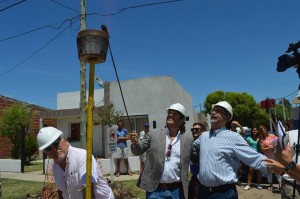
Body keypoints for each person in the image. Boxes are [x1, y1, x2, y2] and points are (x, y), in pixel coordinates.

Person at [192, 101, 275, 199]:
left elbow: (253, 157)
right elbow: (193, 146)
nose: (214, 112)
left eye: (218, 111)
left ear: (227, 117)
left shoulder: (233, 137)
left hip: (223, 194)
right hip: (202, 192)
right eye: (213, 110)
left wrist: (275, 166)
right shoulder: (203, 136)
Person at [129, 103, 194, 199]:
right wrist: (135, 142)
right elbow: (138, 151)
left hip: (177, 191)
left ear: (182, 120)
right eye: (169, 113)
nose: (170, 115)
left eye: (175, 114)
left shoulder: (188, 139)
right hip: (155, 191)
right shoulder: (154, 133)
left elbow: (197, 158)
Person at [37, 126, 114, 199]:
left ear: (64, 140)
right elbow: (61, 191)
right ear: (45, 152)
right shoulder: (55, 167)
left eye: (56, 143)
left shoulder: (82, 156)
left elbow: (88, 191)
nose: (54, 149)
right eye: (48, 148)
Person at [263, 129, 300, 199]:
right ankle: (272, 184)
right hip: (290, 182)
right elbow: (277, 150)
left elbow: (286, 163)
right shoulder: (288, 134)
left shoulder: (272, 136)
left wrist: (288, 164)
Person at [258, 125, 282, 191]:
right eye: (262, 131)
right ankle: (270, 184)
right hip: (267, 156)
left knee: (278, 168)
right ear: (260, 132)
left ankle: (280, 184)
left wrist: (275, 146)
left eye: (265, 130)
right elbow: (262, 149)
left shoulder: (272, 135)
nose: (264, 131)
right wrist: (270, 147)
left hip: (275, 155)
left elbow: (278, 141)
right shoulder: (261, 139)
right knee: (269, 170)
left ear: (266, 129)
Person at [188, 122, 205, 199]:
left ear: (203, 131)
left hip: (202, 179)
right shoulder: (190, 143)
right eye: (192, 129)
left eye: (196, 129)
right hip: (194, 177)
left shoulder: (205, 143)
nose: (194, 131)